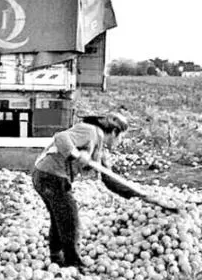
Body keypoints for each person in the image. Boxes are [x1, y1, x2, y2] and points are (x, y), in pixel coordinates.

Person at [31, 113, 144, 268]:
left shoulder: (100, 150)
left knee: (60, 219)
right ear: (114, 132)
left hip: (45, 175)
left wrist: (138, 195)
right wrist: (75, 154)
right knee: (71, 220)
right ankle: (73, 264)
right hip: (50, 175)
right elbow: (61, 137)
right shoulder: (89, 131)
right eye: (120, 137)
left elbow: (110, 180)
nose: (120, 142)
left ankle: (56, 259)